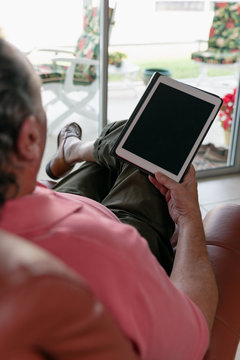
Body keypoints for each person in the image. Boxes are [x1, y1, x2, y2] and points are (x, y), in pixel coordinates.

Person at [0, 38, 218, 360]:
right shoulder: (108, 253)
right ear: (30, 138)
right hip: (110, 226)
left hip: (47, 199)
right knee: (141, 148)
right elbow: (193, 330)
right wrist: (189, 217)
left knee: (131, 141)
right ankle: (74, 150)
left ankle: (74, 151)